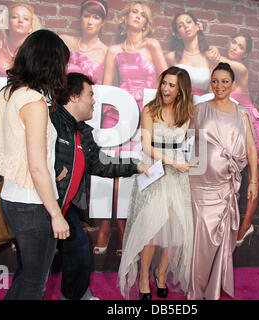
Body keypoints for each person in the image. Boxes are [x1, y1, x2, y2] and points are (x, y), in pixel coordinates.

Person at [0, 29, 70, 300]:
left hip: (13, 196)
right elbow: (35, 166)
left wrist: (50, 172)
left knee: (26, 277)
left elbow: (19, 151)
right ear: (51, 63)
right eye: (62, 63)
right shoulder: (33, 101)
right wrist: (56, 214)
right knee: (35, 284)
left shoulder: (9, 93)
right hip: (33, 204)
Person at [50, 72, 151, 300]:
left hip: (68, 208)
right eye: (90, 95)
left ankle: (77, 295)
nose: (94, 101)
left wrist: (136, 166)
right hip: (42, 206)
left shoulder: (83, 131)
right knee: (34, 268)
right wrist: (53, 168)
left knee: (79, 250)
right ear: (74, 97)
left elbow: (100, 164)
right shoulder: (50, 120)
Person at [118, 66, 196, 300]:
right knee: (150, 229)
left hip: (178, 176)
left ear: (181, 90)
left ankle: (161, 272)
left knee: (176, 229)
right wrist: (173, 162)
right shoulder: (151, 109)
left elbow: (190, 144)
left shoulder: (187, 112)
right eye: (164, 83)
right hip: (154, 171)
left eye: (172, 85)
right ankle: (144, 278)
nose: (165, 88)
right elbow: (146, 146)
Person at [97, 1, 168, 256]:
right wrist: (104, 118)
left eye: (142, 14)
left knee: (141, 175)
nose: (137, 16)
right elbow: (106, 85)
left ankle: (133, 232)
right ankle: (114, 228)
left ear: (146, 22)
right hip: (121, 115)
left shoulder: (152, 45)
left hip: (146, 115)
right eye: (134, 12)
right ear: (125, 18)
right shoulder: (114, 50)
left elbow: (166, 79)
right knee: (113, 174)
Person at [187, 62, 258, 300]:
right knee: (200, 242)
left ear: (233, 84)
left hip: (226, 187)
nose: (220, 86)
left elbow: (251, 150)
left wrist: (254, 182)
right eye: (215, 81)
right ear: (211, 84)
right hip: (198, 185)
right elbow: (186, 142)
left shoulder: (242, 114)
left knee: (220, 243)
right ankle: (196, 292)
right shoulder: (199, 109)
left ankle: (212, 290)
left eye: (225, 81)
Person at [218, 32, 259, 245]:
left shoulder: (240, 68)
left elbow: (223, 64)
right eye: (233, 42)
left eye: (240, 46)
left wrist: (210, 54)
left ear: (245, 54)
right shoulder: (224, 74)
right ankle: (227, 225)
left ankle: (246, 226)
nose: (234, 47)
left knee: (252, 180)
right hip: (236, 132)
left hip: (255, 129)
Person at [166, 12, 218, 96]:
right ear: (178, 35)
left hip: (201, 105)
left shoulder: (209, 55)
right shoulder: (171, 57)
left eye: (189, 22)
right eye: (180, 25)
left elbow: (213, 91)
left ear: (197, 26)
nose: (186, 26)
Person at [60, 0, 108, 83]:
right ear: (80, 17)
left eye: (96, 17)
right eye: (86, 16)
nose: (90, 22)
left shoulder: (106, 52)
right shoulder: (65, 41)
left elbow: (107, 87)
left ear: (102, 22)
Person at [0, 2, 42, 77]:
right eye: (15, 17)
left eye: (26, 19)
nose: (20, 21)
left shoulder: (37, 51)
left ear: (31, 27)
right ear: (7, 23)